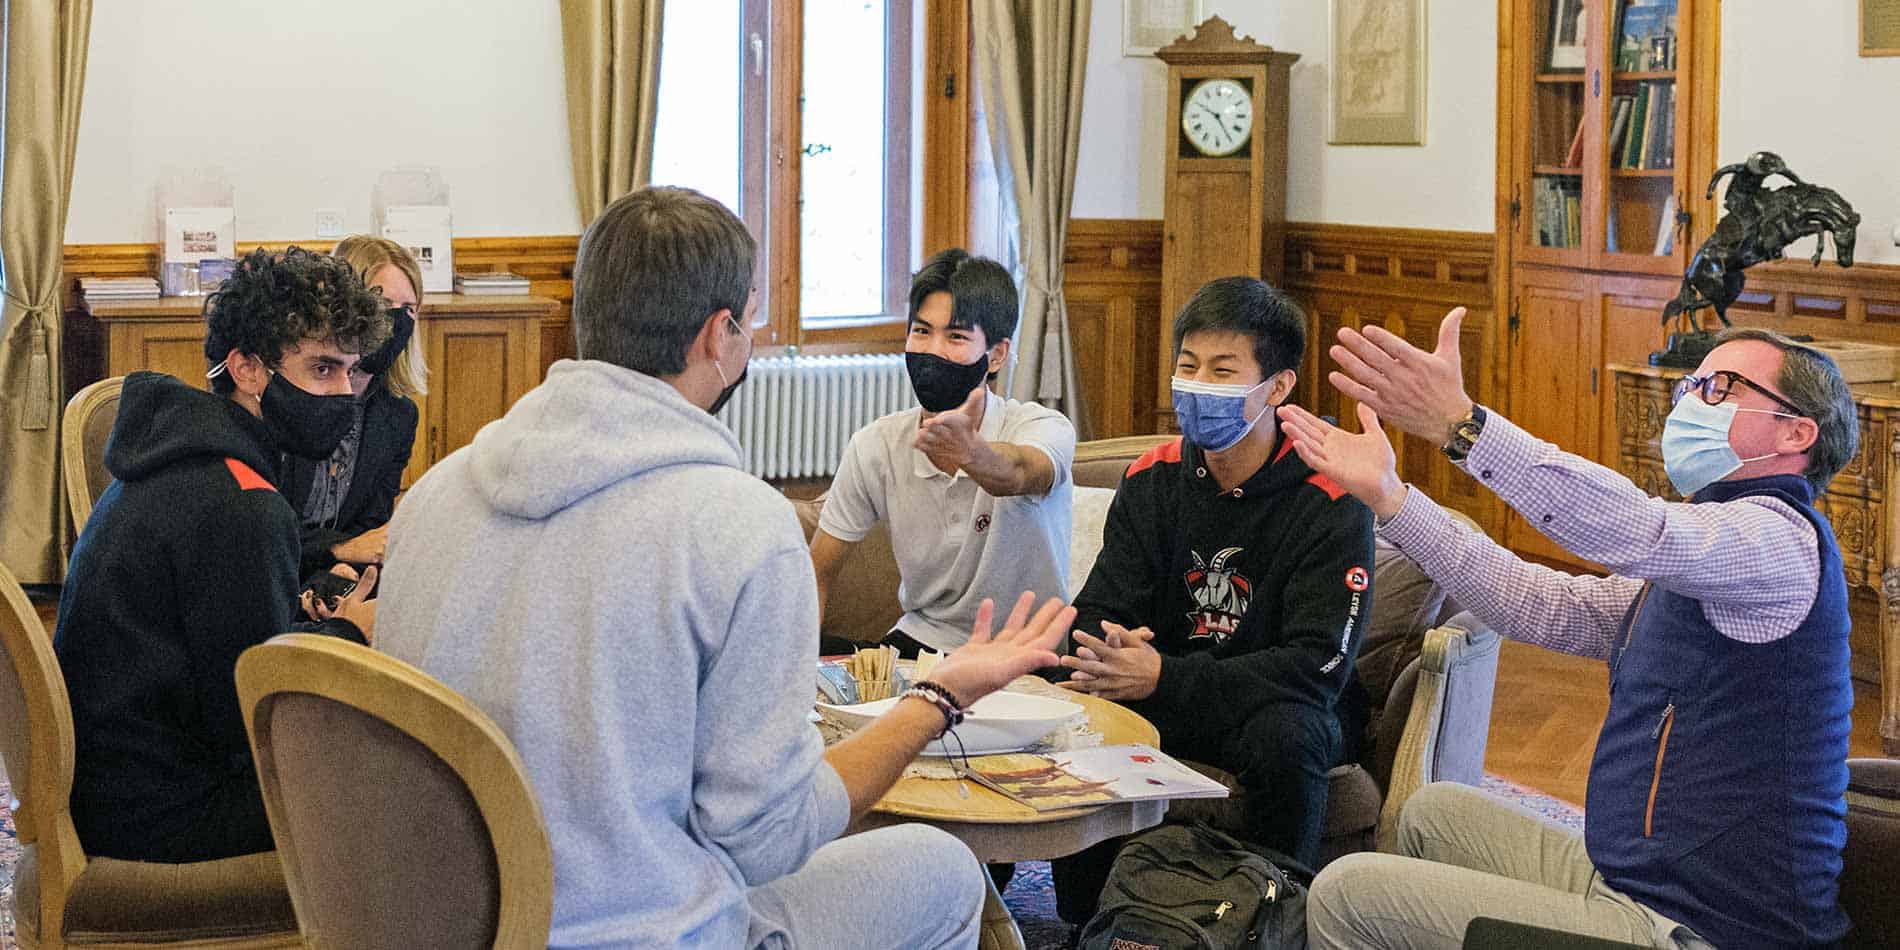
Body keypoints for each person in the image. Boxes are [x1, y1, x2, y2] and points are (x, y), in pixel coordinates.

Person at [374, 186, 1075, 950]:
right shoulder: (739, 525)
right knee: (945, 872)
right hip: (644, 931)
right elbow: (766, 840)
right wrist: (938, 697)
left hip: (440, 923)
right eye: (749, 319)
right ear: (720, 334)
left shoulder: (432, 495)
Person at [1278, 315, 1856, 948]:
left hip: (1700, 927)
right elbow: (1539, 603)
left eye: (1720, 387)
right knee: (1429, 814)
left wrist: (1462, 425)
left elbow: (1643, 530)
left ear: (1797, 431)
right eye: (1690, 385)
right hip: (1639, 880)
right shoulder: (1711, 557)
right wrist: (1391, 498)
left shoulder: (1781, 543)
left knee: (1346, 893)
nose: (1692, 402)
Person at [1049, 276, 1376, 922]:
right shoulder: (1153, 476)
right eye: (1188, 366)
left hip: (1272, 702)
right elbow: (1099, 607)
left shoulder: (1333, 495)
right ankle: (1090, 918)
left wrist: (1165, 676)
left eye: (1223, 371)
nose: (1198, 385)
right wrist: (1109, 646)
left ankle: (1273, 917)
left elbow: (1317, 665)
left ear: (1277, 387)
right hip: (1166, 688)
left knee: (1290, 735)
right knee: (1071, 686)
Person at [53, 247, 385, 863]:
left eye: (349, 372)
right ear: (247, 369)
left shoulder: (186, 455)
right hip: (159, 812)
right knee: (403, 786)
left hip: (110, 783)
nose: (343, 393)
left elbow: (213, 644)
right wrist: (349, 634)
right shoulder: (241, 502)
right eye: (321, 369)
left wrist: (301, 613)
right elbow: (251, 718)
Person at [810, 247, 1075, 657]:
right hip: (922, 644)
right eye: (921, 331)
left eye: (956, 337)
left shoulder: (1042, 427)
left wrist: (972, 454)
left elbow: (1022, 471)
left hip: (1028, 653)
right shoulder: (876, 444)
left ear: (996, 355)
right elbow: (816, 572)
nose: (933, 350)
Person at [284, 236, 428, 587]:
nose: (397, 320)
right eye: (383, 304)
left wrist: (340, 569)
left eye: (408, 309)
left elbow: (371, 530)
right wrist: (335, 551)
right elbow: (261, 530)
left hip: (338, 577)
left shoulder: (399, 416)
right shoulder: (288, 394)